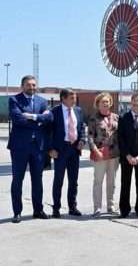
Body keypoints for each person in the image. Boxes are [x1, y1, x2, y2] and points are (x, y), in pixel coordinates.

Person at [8, 75, 52, 223]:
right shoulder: (14, 100)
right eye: (28, 85)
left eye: (34, 85)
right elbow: (18, 119)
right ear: (22, 86)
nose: (32, 87)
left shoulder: (42, 101)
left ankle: (38, 210)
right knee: (17, 180)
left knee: (37, 180)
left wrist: (33, 116)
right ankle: (17, 212)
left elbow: (49, 118)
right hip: (19, 147)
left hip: (37, 147)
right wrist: (40, 119)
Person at [48, 88, 85, 218]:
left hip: (74, 150)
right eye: (71, 98)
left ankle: (72, 206)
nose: (74, 100)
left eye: (74, 98)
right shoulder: (54, 112)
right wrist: (50, 149)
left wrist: (82, 140)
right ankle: (56, 208)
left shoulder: (78, 111)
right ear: (63, 99)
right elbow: (48, 132)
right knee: (59, 180)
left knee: (73, 180)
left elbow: (81, 127)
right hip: (60, 150)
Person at [88, 92, 120, 217]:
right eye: (103, 102)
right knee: (98, 181)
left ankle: (111, 205)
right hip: (100, 154)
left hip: (114, 154)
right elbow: (90, 137)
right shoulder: (93, 118)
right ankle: (97, 207)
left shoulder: (116, 117)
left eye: (107, 101)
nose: (105, 104)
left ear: (110, 103)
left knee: (111, 181)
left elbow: (120, 135)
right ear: (98, 104)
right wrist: (95, 151)